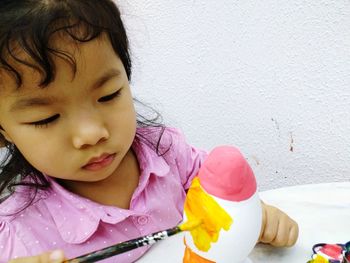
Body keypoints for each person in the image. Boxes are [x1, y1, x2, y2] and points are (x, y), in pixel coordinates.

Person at [0, 1, 298, 262]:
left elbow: (216, 193)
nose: (92, 134)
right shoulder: (18, 236)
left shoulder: (168, 151)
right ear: (4, 132)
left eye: (108, 95)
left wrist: (254, 217)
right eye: (47, 118)